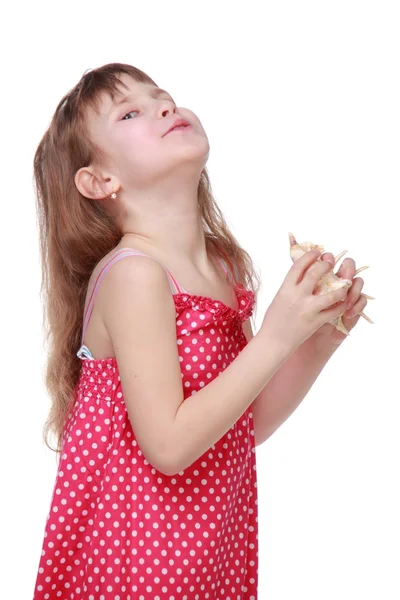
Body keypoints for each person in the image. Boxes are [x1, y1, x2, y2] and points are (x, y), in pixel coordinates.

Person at [32, 63, 350, 599]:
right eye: (130, 112)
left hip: (210, 551)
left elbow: (242, 424)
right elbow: (170, 447)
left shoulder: (223, 265)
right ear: (99, 181)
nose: (163, 107)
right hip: (136, 556)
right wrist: (276, 334)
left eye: (163, 97)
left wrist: (316, 338)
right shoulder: (135, 274)